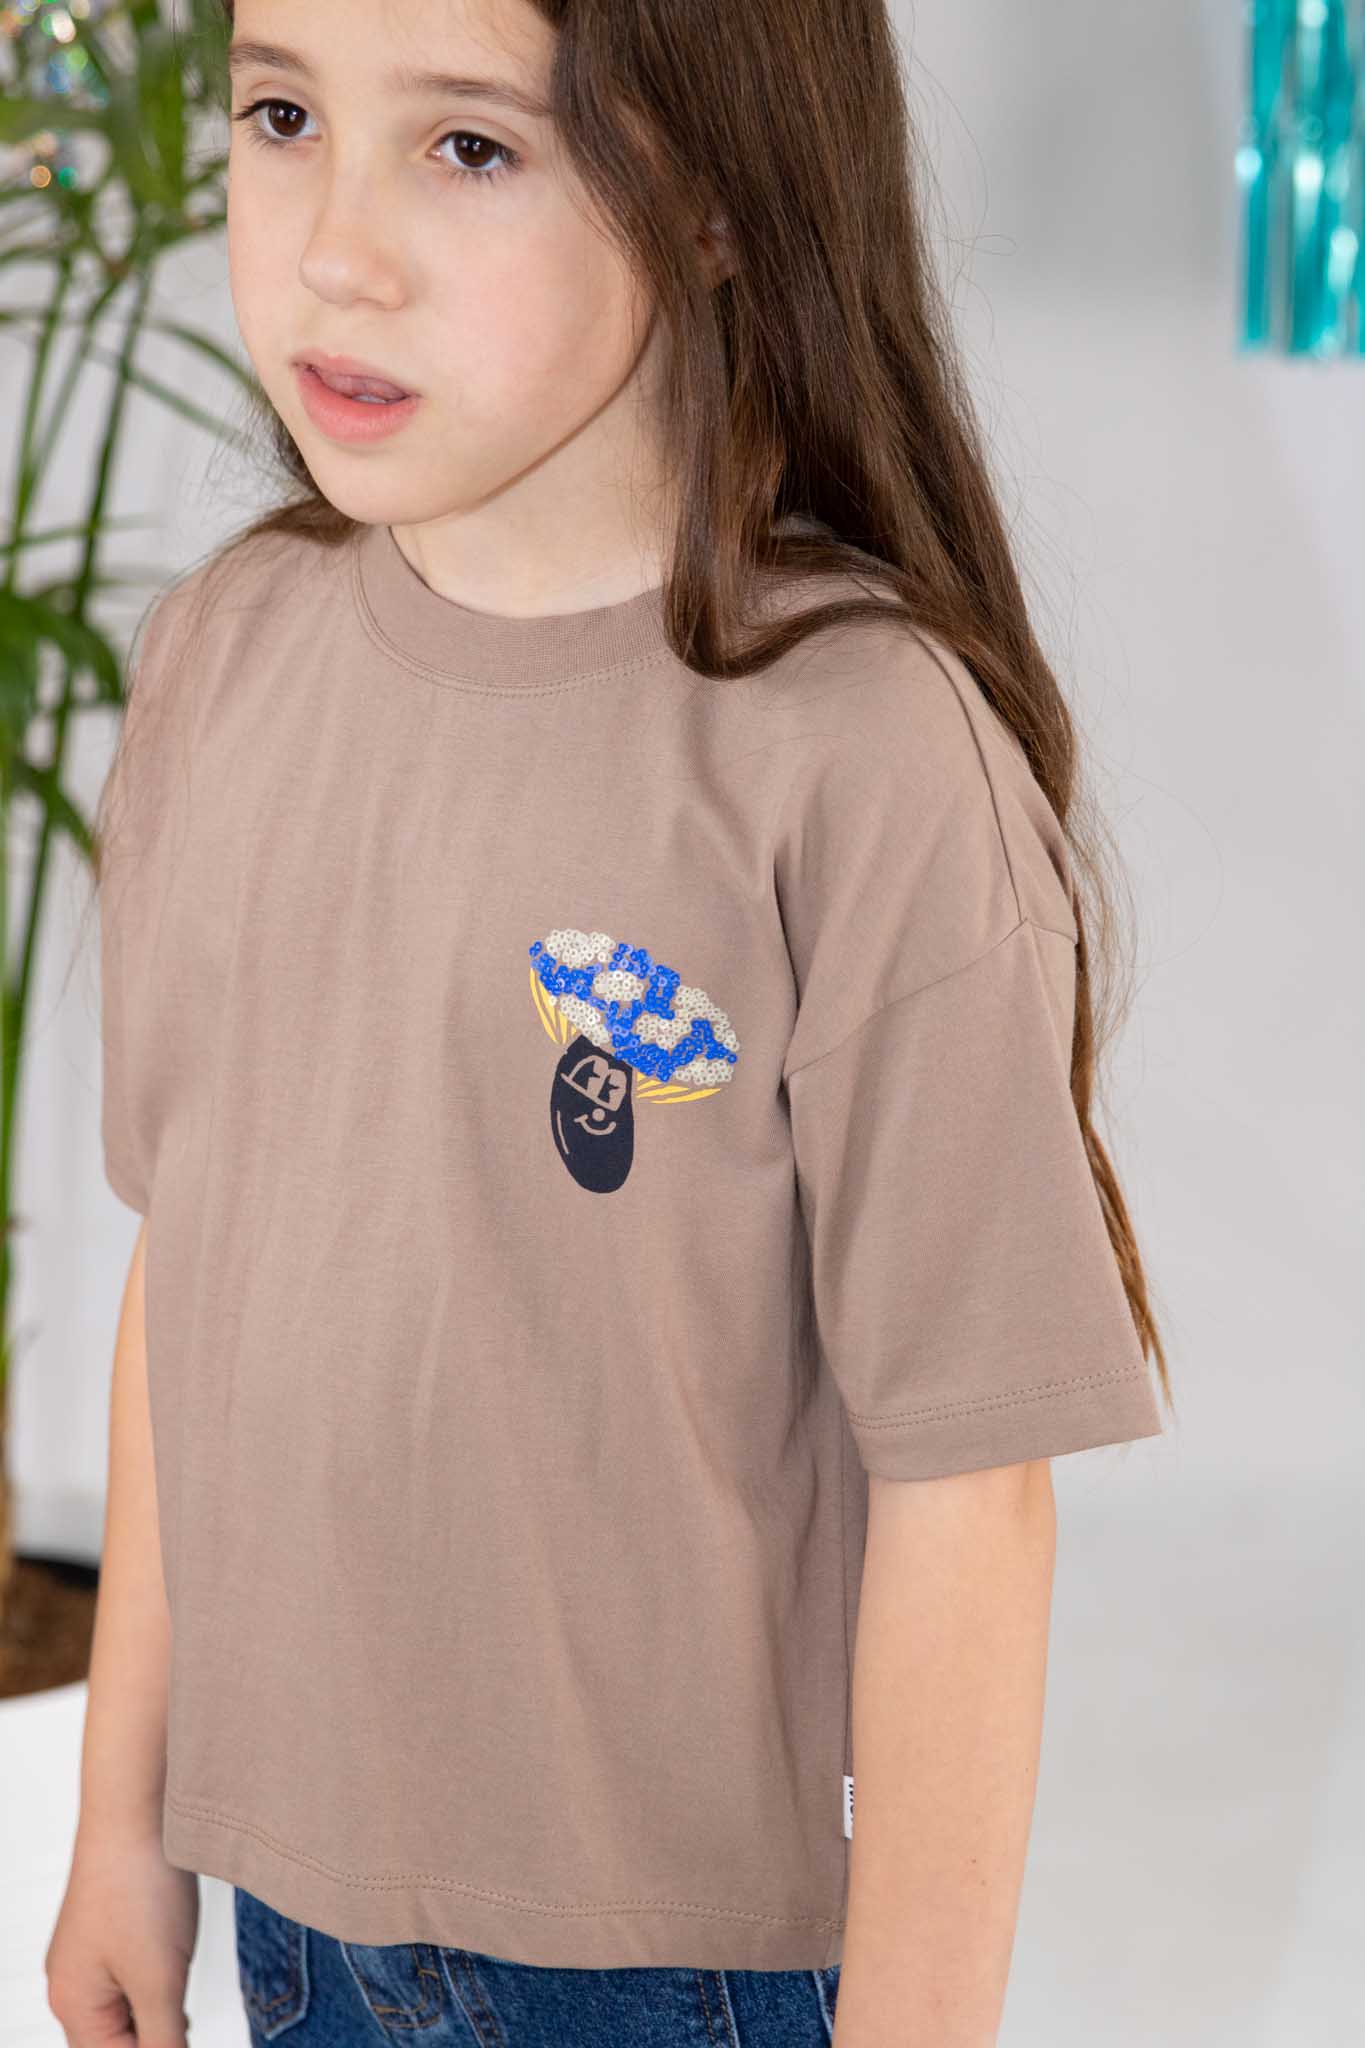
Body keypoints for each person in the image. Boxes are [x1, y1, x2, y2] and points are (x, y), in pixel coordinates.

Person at [47, 0, 1172, 2042]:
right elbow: (183, 1283)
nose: (336, 251)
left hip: (676, 1975)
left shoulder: (857, 755)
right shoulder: (226, 661)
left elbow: (965, 1488)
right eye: (283, 114)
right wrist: (123, 1821)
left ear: (719, 193)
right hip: (287, 1913)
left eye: (468, 147)